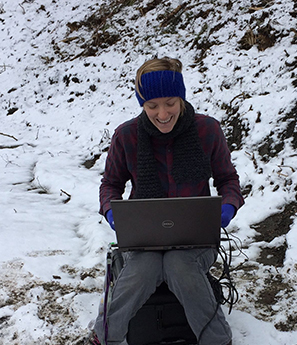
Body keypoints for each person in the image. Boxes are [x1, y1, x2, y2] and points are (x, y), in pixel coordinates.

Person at [90, 57, 244, 345]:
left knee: (179, 265)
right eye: (152, 106)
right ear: (142, 104)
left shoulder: (207, 130)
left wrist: (226, 208)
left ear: (182, 97)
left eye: (170, 102)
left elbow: (228, 181)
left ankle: (218, 341)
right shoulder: (126, 136)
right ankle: (105, 337)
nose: (162, 113)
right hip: (142, 240)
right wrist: (112, 212)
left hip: (196, 240)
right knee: (142, 271)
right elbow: (110, 184)